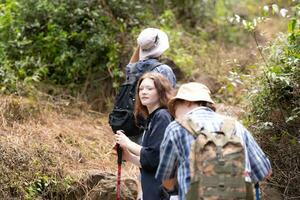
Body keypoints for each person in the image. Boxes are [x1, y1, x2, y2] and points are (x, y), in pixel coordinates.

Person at [155, 82, 272, 200]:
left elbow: (166, 179)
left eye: (175, 106)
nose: (174, 112)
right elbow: (265, 172)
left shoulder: (175, 128)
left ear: (188, 102)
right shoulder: (235, 125)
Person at [115, 72, 175, 200]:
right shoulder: (152, 118)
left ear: (160, 91)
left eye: (149, 88)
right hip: (152, 191)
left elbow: (155, 155)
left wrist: (128, 143)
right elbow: (152, 163)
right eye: (141, 89)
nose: (143, 92)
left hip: (161, 192)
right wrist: (129, 156)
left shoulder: (162, 117)